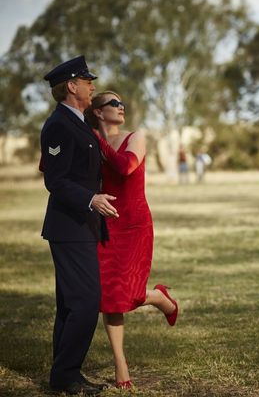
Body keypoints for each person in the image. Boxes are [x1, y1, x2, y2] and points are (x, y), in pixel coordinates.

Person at [84, 91, 179, 389]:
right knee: (110, 296)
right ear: (98, 112)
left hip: (135, 224)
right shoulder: (90, 141)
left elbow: (125, 168)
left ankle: (160, 298)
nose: (121, 106)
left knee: (131, 293)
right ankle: (120, 364)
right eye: (113, 103)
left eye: (122, 102)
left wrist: (97, 141)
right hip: (106, 224)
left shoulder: (135, 137)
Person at [39, 55, 117, 396]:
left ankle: (64, 375)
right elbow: (55, 180)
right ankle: (66, 376)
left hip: (81, 226)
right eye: (87, 81)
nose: (92, 86)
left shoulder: (79, 122)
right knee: (86, 302)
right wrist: (91, 199)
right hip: (69, 226)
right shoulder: (58, 124)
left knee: (71, 304)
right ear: (72, 86)